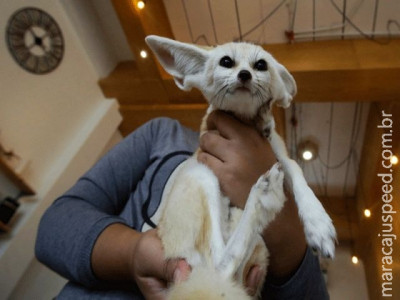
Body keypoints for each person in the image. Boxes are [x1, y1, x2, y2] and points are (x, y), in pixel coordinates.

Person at [35, 111, 329, 299]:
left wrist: (285, 221)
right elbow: (53, 228)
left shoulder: (297, 201)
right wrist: (132, 254)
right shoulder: (164, 135)